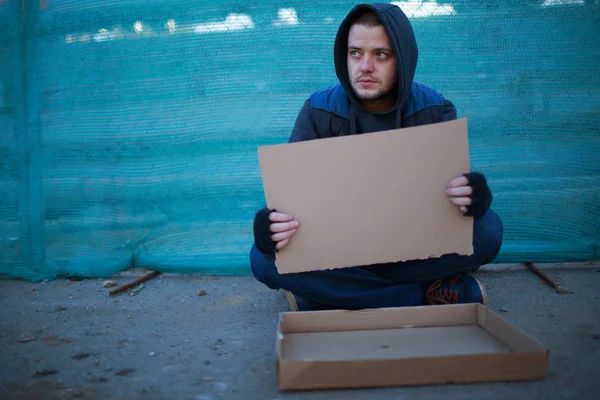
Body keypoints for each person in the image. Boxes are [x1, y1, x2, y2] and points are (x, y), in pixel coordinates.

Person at [250, 3, 504, 311]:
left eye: (380, 55)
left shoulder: (434, 109)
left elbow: (456, 193)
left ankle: (329, 297)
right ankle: (423, 296)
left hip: (412, 248)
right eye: (355, 53)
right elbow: (291, 202)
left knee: (488, 229)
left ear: (402, 58)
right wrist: (270, 226)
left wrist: (474, 196)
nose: (364, 66)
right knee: (263, 258)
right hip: (338, 250)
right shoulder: (319, 110)